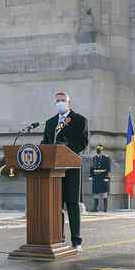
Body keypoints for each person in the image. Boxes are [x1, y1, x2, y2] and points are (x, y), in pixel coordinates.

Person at [41, 90, 88, 251]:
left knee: (72, 204)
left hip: (71, 168)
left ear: (69, 103)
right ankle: (58, 237)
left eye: (63, 100)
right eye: (57, 100)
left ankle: (76, 240)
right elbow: (45, 142)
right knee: (56, 204)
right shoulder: (50, 122)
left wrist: (65, 147)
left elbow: (83, 143)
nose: (60, 103)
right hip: (53, 170)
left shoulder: (79, 120)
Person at [91, 145, 111, 212]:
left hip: (103, 177)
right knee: (96, 193)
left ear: (102, 150)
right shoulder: (94, 158)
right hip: (96, 177)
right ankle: (95, 208)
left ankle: (105, 208)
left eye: (100, 150)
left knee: (104, 193)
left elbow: (108, 168)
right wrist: (91, 175)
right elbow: (92, 167)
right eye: (98, 150)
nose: (99, 151)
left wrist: (107, 177)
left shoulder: (106, 158)